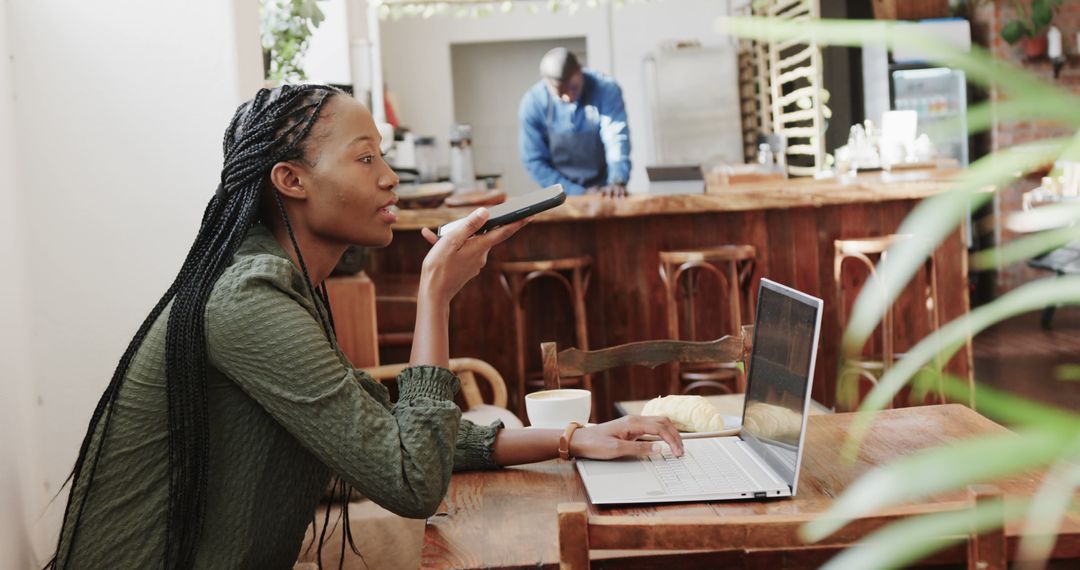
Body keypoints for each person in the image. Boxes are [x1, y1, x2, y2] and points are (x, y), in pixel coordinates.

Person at [48, 84, 682, 569]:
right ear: (290, 180)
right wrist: (435, 294)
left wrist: (574, 437)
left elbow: (387, 432)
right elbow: (409, 476)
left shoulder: (281, 287)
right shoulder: (249, 300)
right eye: (365, 158)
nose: (390, 177)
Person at [519, 47, 631, 198]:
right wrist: (576, 192)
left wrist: (617, 181)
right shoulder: (533, 103)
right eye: (560, 91)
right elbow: (534, 160)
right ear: (546, 83)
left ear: (579, 70)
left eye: (573, 88)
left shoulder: (606, 89)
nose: (568, 97)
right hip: (561, 194)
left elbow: (616, 138)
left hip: (604, 190)